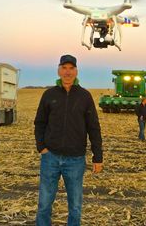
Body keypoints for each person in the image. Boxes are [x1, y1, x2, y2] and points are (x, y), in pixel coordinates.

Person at [34, 54, 103, 226]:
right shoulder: (49, 94)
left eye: (71, 68)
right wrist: (41, 147)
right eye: (64, 68)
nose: (67, 72)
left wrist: (98, 157)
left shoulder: (84, 96)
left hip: (76, 160)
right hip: (50, 157)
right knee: (44, 204)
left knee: (75, 206)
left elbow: (93, 127)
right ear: (59, 70)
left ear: (76, 71)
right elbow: (40, 123)